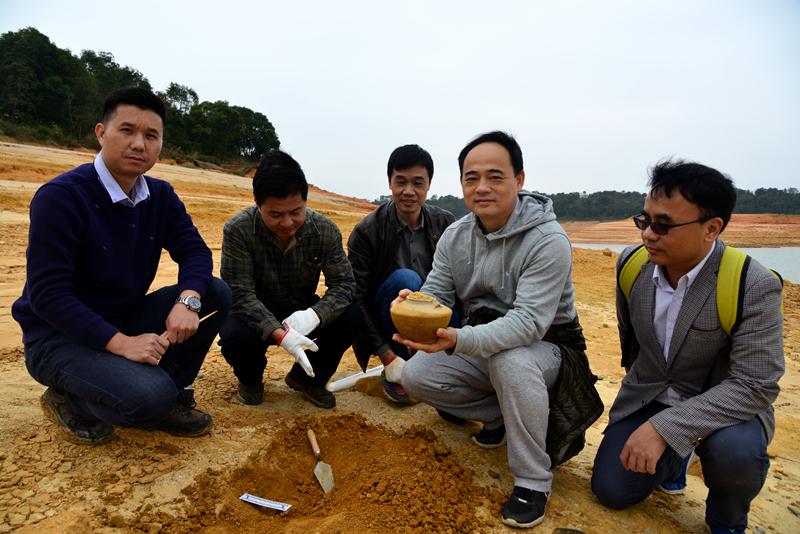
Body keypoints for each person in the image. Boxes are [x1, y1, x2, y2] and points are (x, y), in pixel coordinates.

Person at [399, 131, 602, 528]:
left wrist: (458, 339)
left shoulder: (548, 239)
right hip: (485, 339)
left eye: (495, 176)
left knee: (512, 361)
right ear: (461, 184)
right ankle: (502, 417)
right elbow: (437, 293)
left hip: (550, 347)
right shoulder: (456, 236)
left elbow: (528, 323)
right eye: (471, 177)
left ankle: (532, 480)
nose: (482, 187)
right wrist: (413, 303)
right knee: (415, 375)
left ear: (519, 180)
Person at [12, 87, 232, 445]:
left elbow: (194, 250)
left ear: (161, 143)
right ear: (101, 133)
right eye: (127, 130)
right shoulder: (62, 197)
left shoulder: (160, 195)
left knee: (215, 293)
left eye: (151, 135)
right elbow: (46, 295)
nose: (139, 144)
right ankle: (68, 398)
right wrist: (121, 344)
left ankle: (169, 392)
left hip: (122, 318)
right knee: (149, 400)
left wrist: (188, 300)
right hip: (56, 337)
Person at [591, 160, 784, 534]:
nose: (648, 234)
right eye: (643, 220)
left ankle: (727, 521)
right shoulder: (632, 266)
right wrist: (650, 420)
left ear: (712, 228)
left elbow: (755, 385)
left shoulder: (753, 284)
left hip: (722, 408)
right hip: (648, 395)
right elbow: (632, 345)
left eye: (662, 225)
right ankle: (675, 460)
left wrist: (664, 428)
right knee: (612, 490)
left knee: (735, 456)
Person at [218, 149, 363, 409]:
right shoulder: (238, 230)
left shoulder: (325, 230)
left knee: (351, 316)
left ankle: (307, 380)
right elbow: (239, 294)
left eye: (296, 211)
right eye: (275, 214)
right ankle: (250, 381)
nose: (287, 222)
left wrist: (314, 316)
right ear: (257, 203)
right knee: (234, 335)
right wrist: (278, 333)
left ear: (305, 200)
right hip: (255, 311)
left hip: (301, 309)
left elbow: (344, 285)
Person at [347, 144, 460, 403]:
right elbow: (358, 298)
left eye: (418, 183)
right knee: (406, 280)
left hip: (433, 315)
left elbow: (459, 284)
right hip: (388, 315)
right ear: (389, 182)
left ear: (429, 185)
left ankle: (437, 365)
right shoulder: (367, 231)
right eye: (401, 182)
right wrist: (386, 356)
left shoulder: (446, 223)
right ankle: (398, 366)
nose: (409, 191)